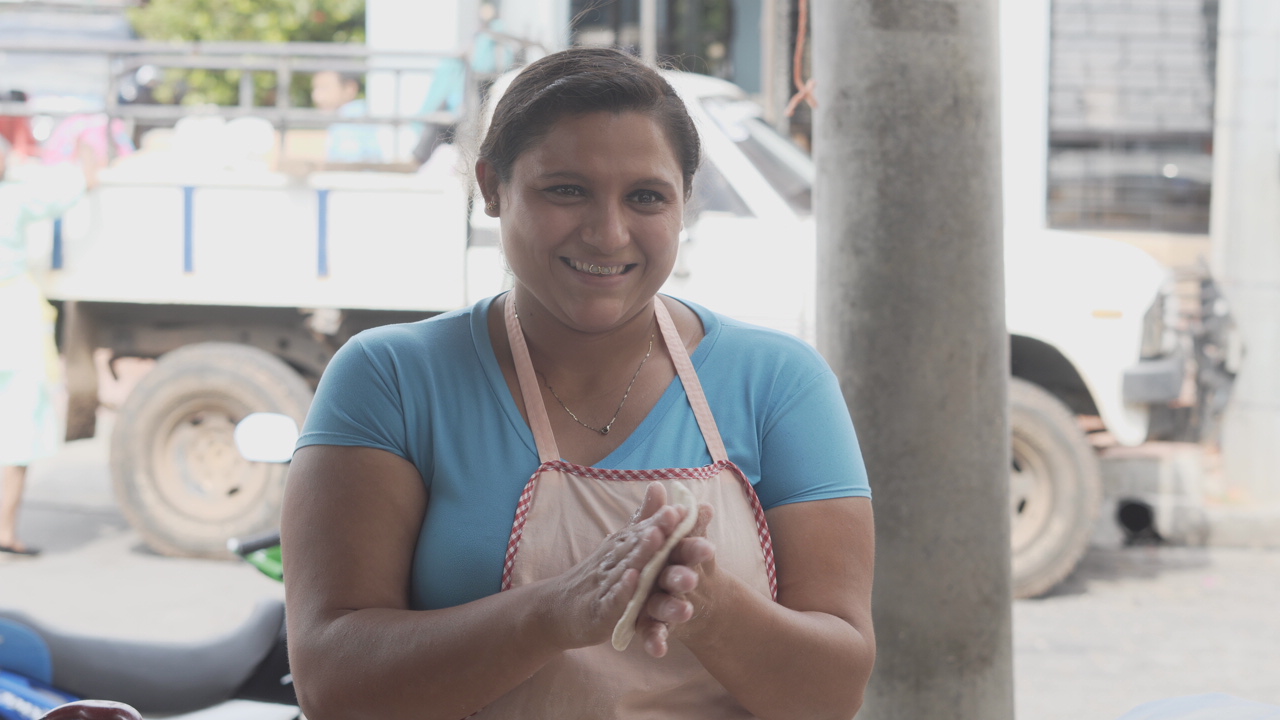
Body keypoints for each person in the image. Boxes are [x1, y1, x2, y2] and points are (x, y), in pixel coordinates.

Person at [282, 47, 875, 719]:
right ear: (491, 185)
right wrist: (556, 612)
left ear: (685, 203)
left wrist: (707, 604)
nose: (607, 233)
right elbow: (333, 684)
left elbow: (833, 694)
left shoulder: (780, 384)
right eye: (566, 189)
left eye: (646, 197)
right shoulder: (390, 379)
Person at [0, 140, 97, 556]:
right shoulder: (17, 199)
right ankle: (4, 530)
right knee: (18, 429)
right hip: (15, 321)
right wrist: (86, 148)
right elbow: (84, 179)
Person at [309, 70, 383, 164]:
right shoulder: (357, 114)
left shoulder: (349, 121)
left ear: (350, 88)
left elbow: (347, 166)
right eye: (315, 88)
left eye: (324, 88)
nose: (316, 96)